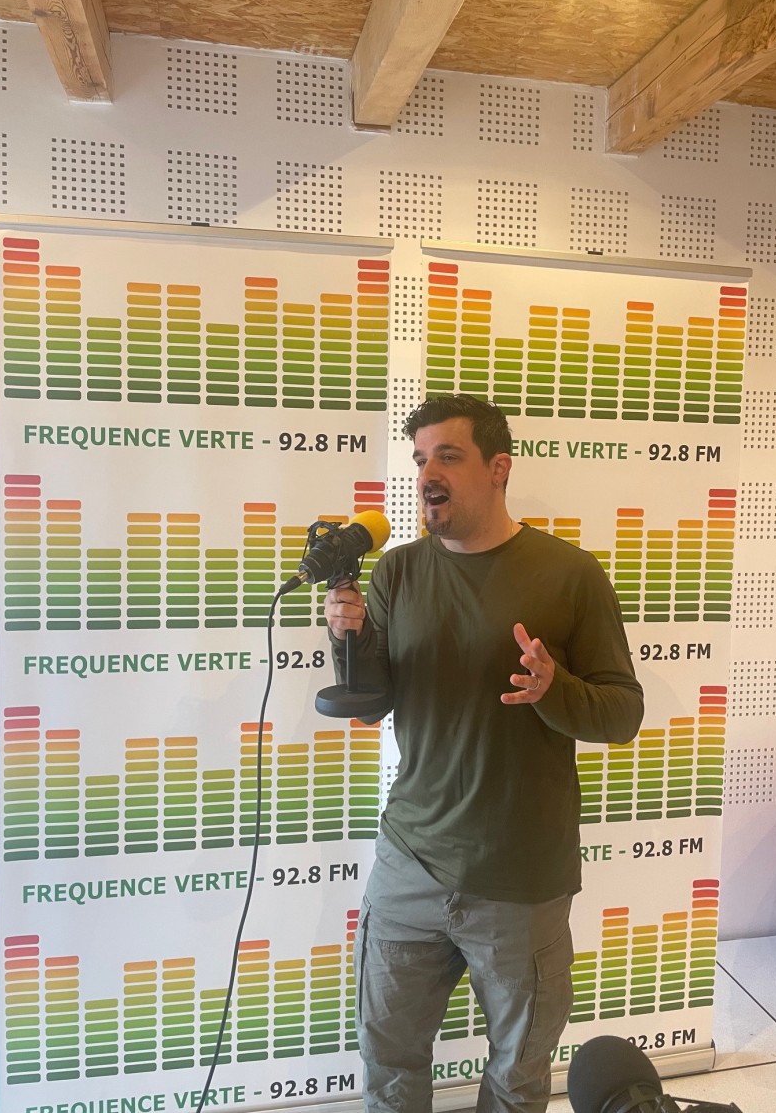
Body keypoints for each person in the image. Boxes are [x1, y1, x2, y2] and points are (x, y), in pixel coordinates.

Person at [324, 394, 644, 1113]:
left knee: (516, 1078)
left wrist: (555, 689)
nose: (426, 474)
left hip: (520, 878)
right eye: (420, 459)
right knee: (388, 1067)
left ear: (498, 467)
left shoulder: (570, 573)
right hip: (409, 864)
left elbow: (623, 712)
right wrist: (347, 637)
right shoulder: (396, 572)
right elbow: (371, 702)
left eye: (448, 455)